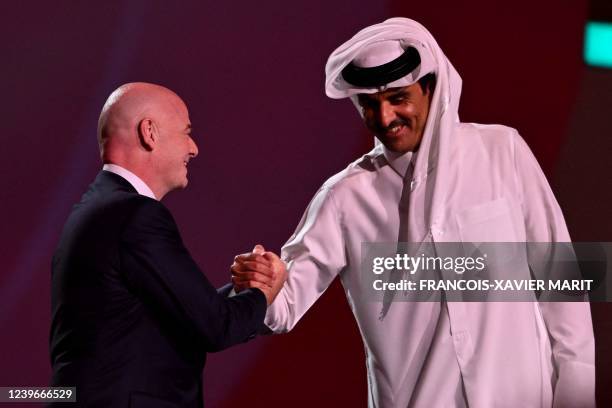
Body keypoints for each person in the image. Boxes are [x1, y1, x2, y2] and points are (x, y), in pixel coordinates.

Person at [232, 18, 595, 407]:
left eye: (398, 98)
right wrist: (263, 282)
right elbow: (284, 305)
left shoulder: (501, 152)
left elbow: (562, 284)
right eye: (369, 105)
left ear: (430, 88)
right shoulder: (347, 197)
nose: (385, 118)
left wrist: (576, 397)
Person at [49, 82, 286, 407]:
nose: (194, 148)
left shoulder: (95, 209)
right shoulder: (135, 214)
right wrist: (263, 292)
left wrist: (238, 289)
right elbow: (216, 327)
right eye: (186, 132)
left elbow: (166, 316)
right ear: (150, 132)